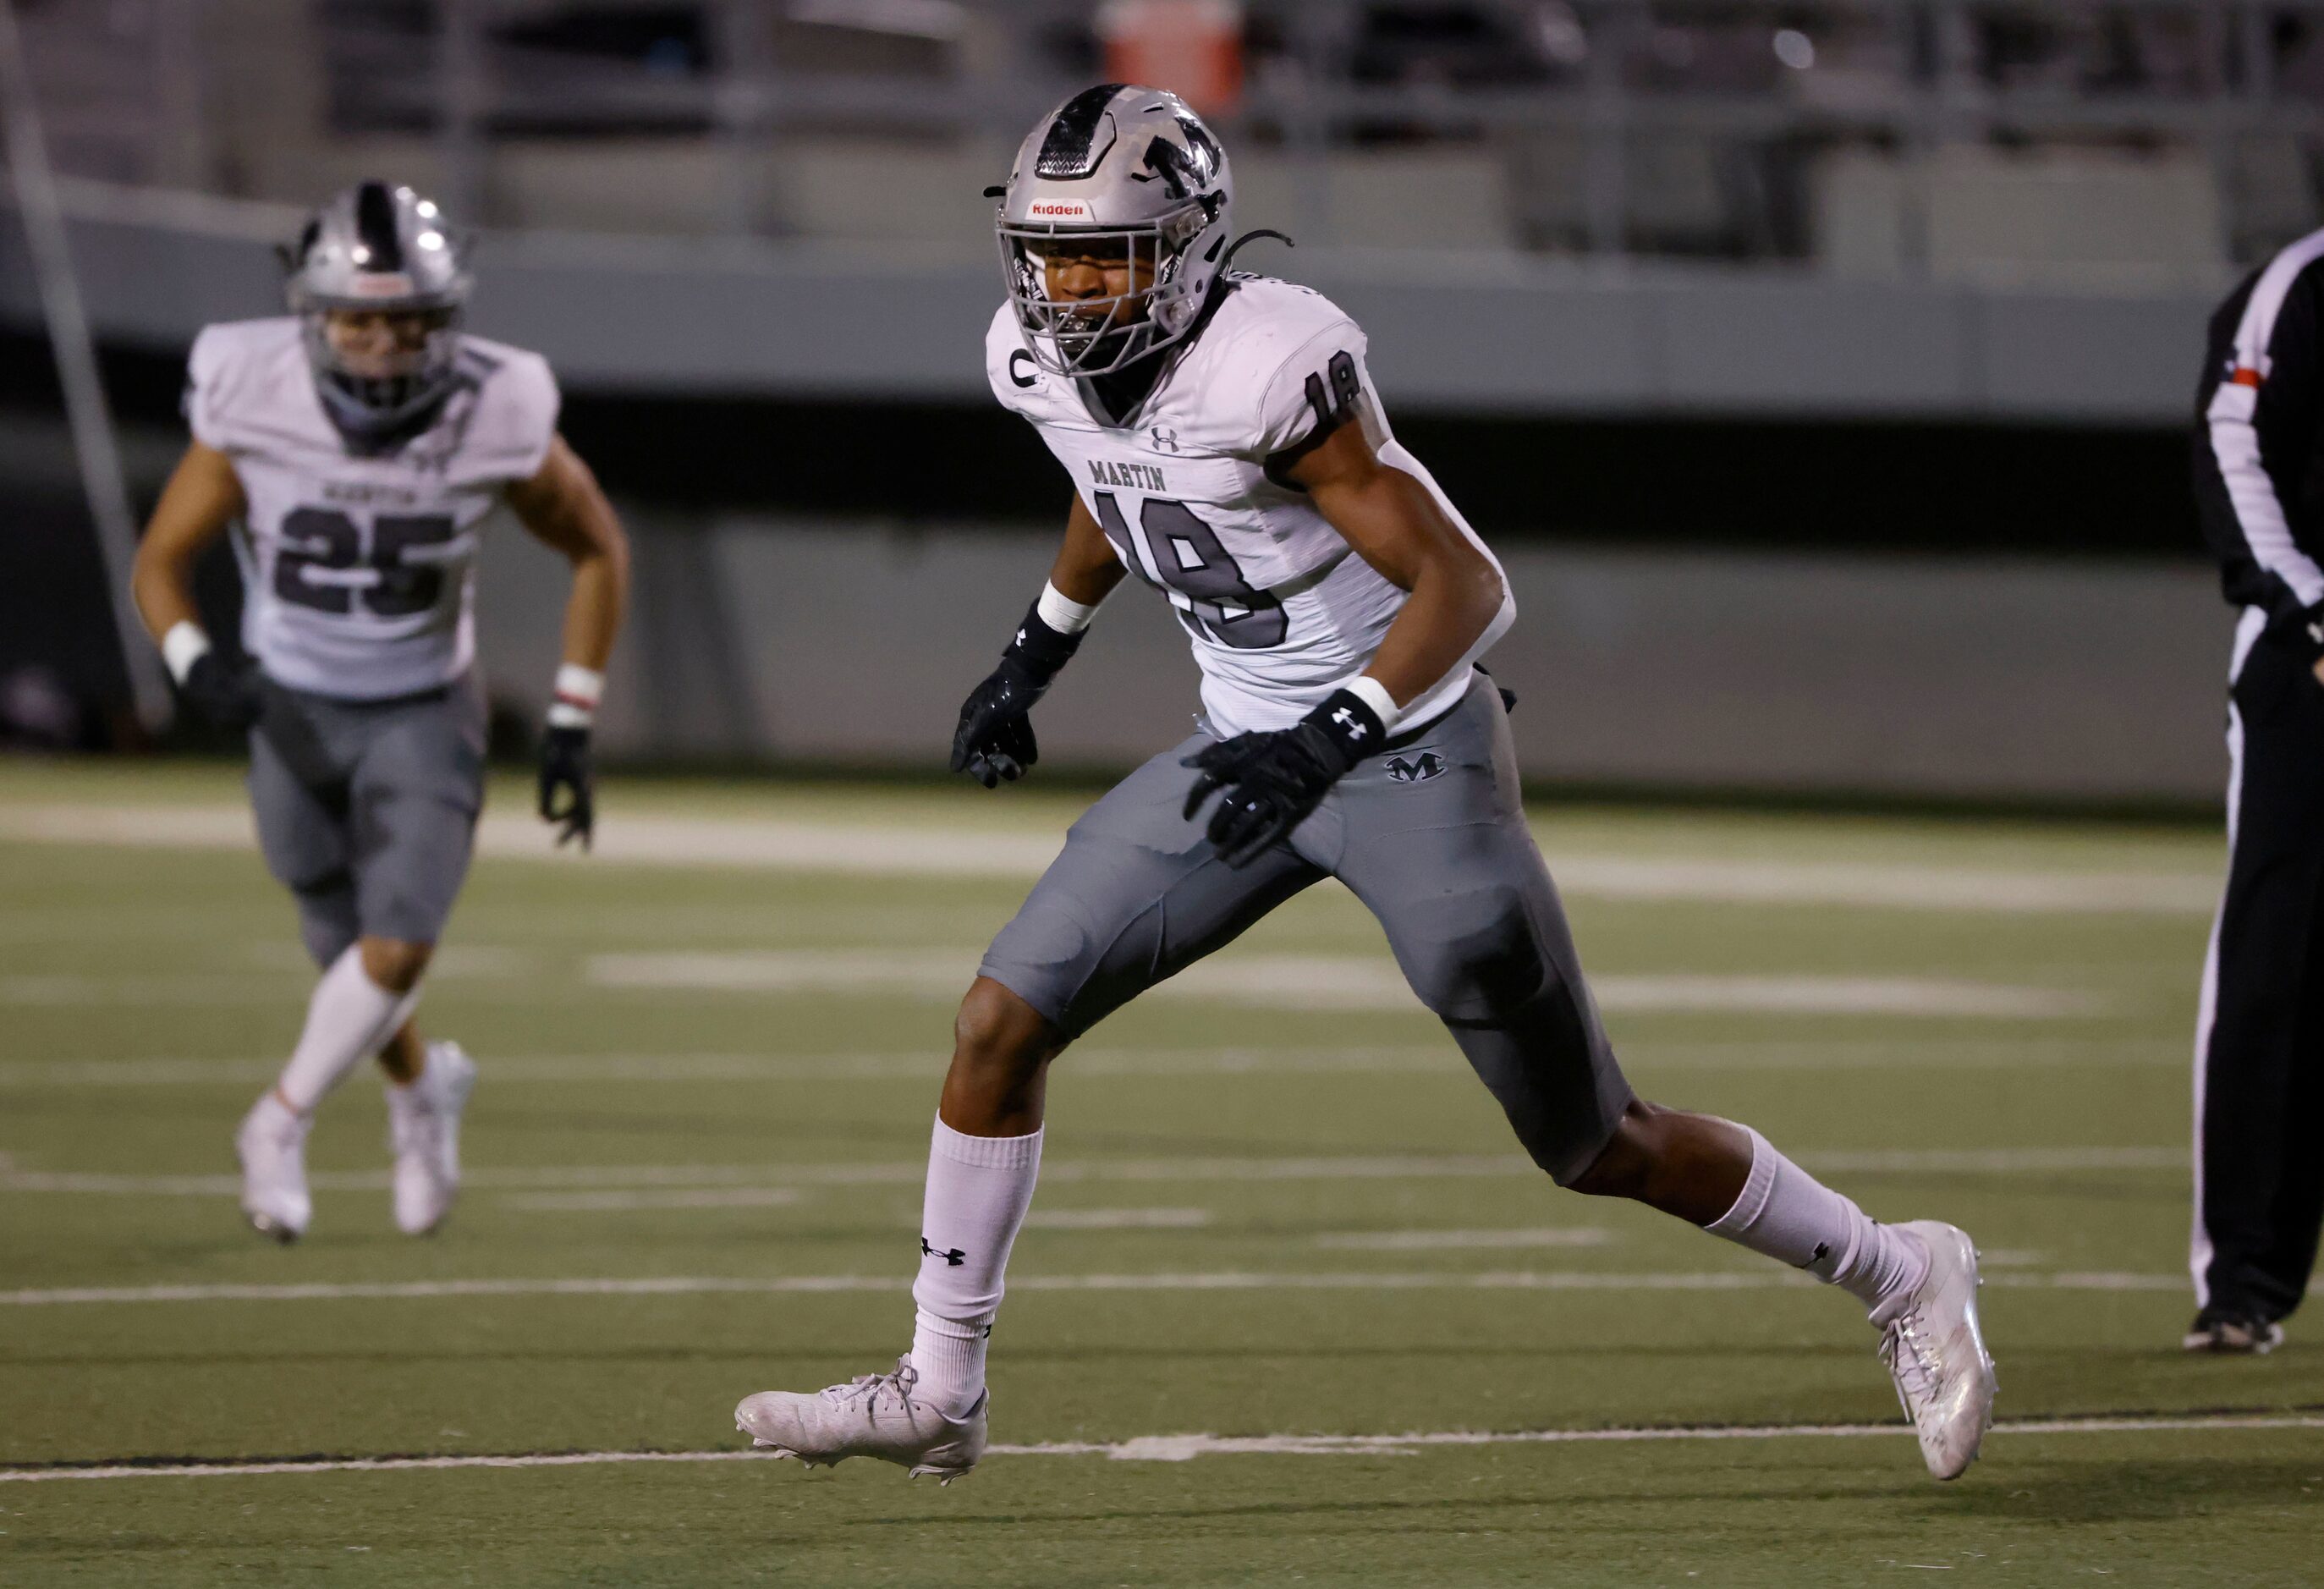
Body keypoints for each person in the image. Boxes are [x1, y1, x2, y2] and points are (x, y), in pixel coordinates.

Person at [733, 85, 1995, 1482]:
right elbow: (1112, 477)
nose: (1071, 284)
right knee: (996, 1021)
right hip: (1243, 749)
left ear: (1190, 249)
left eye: (1105, 254)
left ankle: (1898, 1269)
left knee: (1591, 1141)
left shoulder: (1268, 361)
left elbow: (1464, 580)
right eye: (1049, 252)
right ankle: (938, 1387)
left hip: (1406, 746)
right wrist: (1032, 654)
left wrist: (1334, 732)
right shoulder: (1031, 359)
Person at [129, 181, 629, 1243]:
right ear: (312, 316)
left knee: (395, 946)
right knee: (341, 944)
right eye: (360, 317)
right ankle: (418, 1093)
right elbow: (162, 562)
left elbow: (597, 547)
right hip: (291, 701)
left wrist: (572, 718)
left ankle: (277, 1121)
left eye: (409, 320)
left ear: (448, 319)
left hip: (417, 704)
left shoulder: (500, 405)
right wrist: (192, 661)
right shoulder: (250, 387)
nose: (383, 344)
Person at [2185, 223, 2324, 1354]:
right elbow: (2232, 442)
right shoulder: (2294, 289)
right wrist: (2306, 608)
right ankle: (2244, 1279)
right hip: (2308, 661)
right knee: (2279, 957)